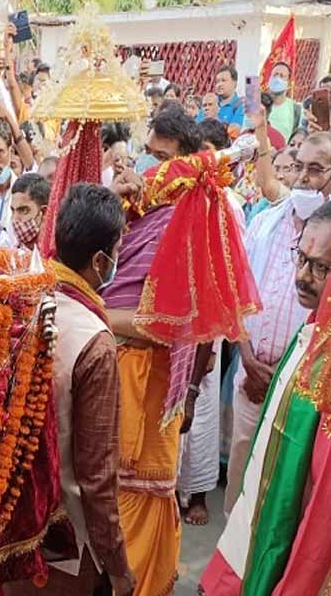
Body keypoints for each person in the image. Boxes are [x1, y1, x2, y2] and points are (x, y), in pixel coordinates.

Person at [5, 183, 134, 595]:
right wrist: (116, 565)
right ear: (100, 259)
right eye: (119, 246)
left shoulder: (21, 300)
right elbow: (96, 478)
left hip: (6, 524)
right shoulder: (94, 341)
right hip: (66, 543)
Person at [103, 106, 211, 596]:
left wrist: (94, 315)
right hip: (115, 376)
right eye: (149, 156)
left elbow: (173, 326)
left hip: (155, 386)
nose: (153, 169)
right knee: (112, 497)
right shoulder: (137, 213)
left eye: (163, 159)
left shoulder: (192, 223)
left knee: (143, 498)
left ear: (188, 165)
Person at [201, 199, 331, 595]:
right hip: (269, 518)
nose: (303, 277)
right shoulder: (312, 335)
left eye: (321, 268)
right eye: (301, 259)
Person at [224, 132, 331, 517]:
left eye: (316, 170)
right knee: (241, 479)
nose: (303, 178)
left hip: (308, 391)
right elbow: (237, 294)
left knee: (289, 495)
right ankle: (230, 573)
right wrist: (248, 361)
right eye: (298, 166)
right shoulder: (266, 222)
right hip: (252, 377)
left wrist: (291, 378)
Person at [9, 173, 50, 250]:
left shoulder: (55, 254)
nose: (14, 219)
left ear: (44, 212)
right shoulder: (14, 251)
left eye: (23, 210)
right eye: (12, 210)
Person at [267, 62, 301, 142]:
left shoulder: (295, 109)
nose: (277, 78)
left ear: (288, 83)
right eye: (275, 75)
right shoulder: (258, 103)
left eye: (282, 76)